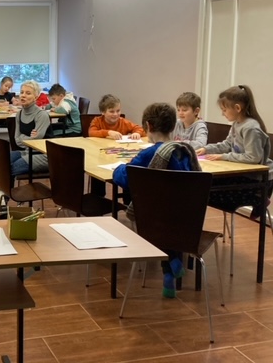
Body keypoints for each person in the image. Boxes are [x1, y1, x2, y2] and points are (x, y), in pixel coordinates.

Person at [112, 103, 200, 298]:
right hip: (183, 219)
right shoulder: (184, 152)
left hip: (154, 219)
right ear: (173, 126)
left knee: (155, 216)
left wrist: (118, 168)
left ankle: (171, 265)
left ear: (148, 126)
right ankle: (172, 267)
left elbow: (126, 177)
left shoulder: (149, 154)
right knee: (167, 218)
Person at [196, 85, 273, 219]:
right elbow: (227, 144)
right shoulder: (237, 124)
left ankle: (259, 200)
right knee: (203, 186)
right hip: (245, 176)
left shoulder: (251, 128)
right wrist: (207, 149)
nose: (223, 113)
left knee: (206, 191)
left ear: (237, 108)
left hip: (256, 181)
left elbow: (253, 157)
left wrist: (223, 157)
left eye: (224, 110)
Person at [0, 80, 52, 219]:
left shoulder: (41, 115)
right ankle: (0, 201)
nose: (23, 95)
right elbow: (17, 140)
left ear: (36, 96)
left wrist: (27, 139)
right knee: (2, 161)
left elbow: (36, 141)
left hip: (44, 155)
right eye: (22, 92)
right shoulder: (19, 114)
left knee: (12, 167)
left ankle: (0, 202)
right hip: (27, 151)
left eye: (28, 93)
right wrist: (29, 137)